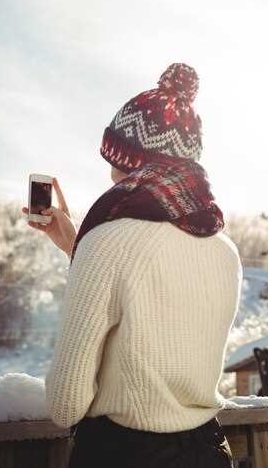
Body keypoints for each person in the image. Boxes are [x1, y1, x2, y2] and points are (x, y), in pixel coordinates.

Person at [22, 63, 243, 467]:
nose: (109, 175)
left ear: (129, 159)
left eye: (112, 160)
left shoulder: (107, 239)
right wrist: (76, 246)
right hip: (209, 451)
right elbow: (156, 299)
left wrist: (88, 248)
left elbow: (66, 404)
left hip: (123, 455)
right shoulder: (224, 249)